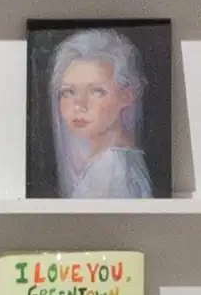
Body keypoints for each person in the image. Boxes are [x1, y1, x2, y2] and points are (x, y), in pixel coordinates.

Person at [45, 27, 155, 199]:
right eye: (68, 92)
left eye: (96, 91)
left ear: (127, 96)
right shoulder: (113, 164)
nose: (79, 105)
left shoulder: (112, 169)